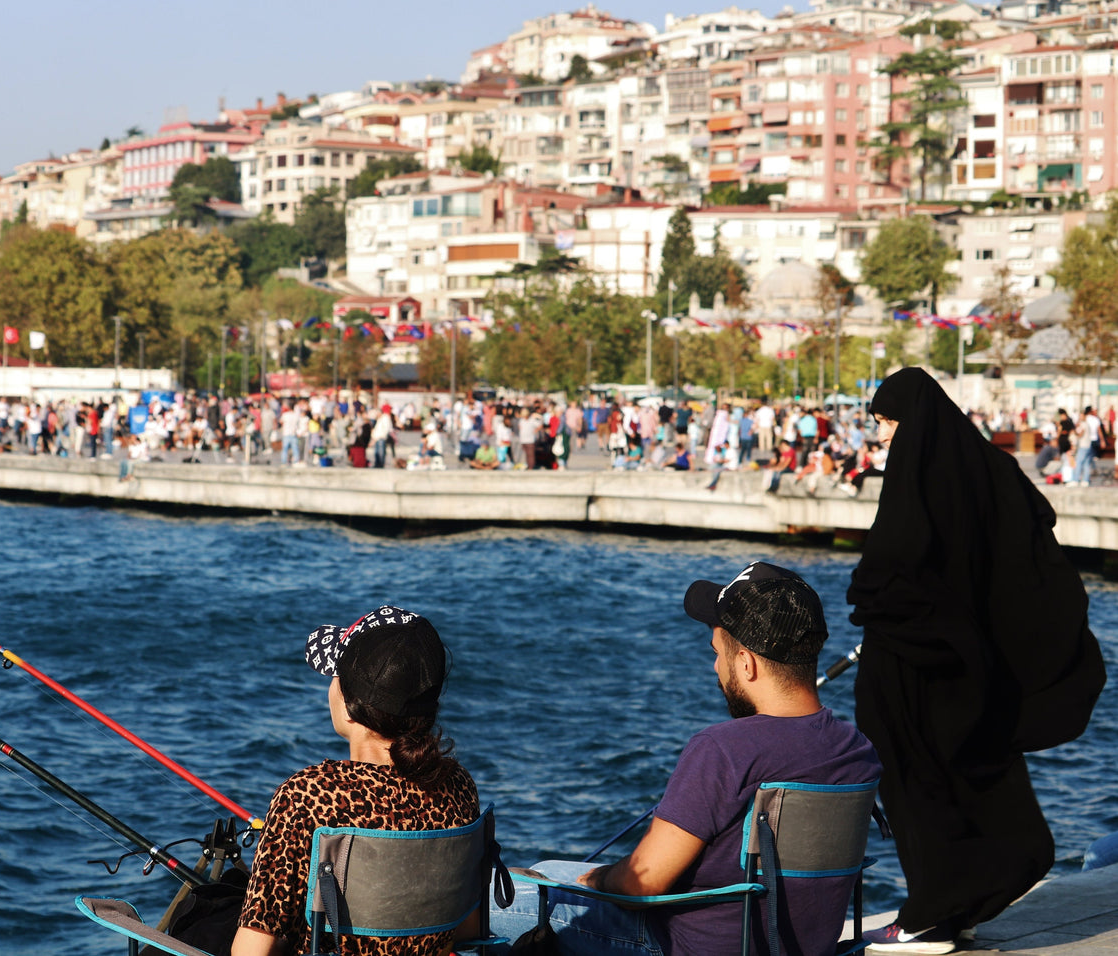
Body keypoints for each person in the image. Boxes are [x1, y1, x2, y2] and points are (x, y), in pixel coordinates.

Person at [488, 561, 881, 956]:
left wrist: (596, 879)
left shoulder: (723, 749)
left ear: (746, 663)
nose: (715, 667)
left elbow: (640, 883)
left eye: (717, 653)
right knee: (549, 870)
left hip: (678, 945)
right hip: (804, 947)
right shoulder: (857, 751)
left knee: (486, 899)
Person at [850, 368, 1106, 954]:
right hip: (968, 669)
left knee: (918, 785)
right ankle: (955, 907)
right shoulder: (986, 470)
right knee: (964, 776)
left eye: (888, 423)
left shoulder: (919, 481)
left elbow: (891, 572)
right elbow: (1029, 551)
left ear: (912, 421)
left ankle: (928, 916)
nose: (883, 435)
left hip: (915, 666)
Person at [233, 606, 480, 956]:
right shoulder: (458, 785)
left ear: (351, 704)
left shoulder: (307, 795)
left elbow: (251, 952)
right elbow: (468, 925)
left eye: (335, 677)